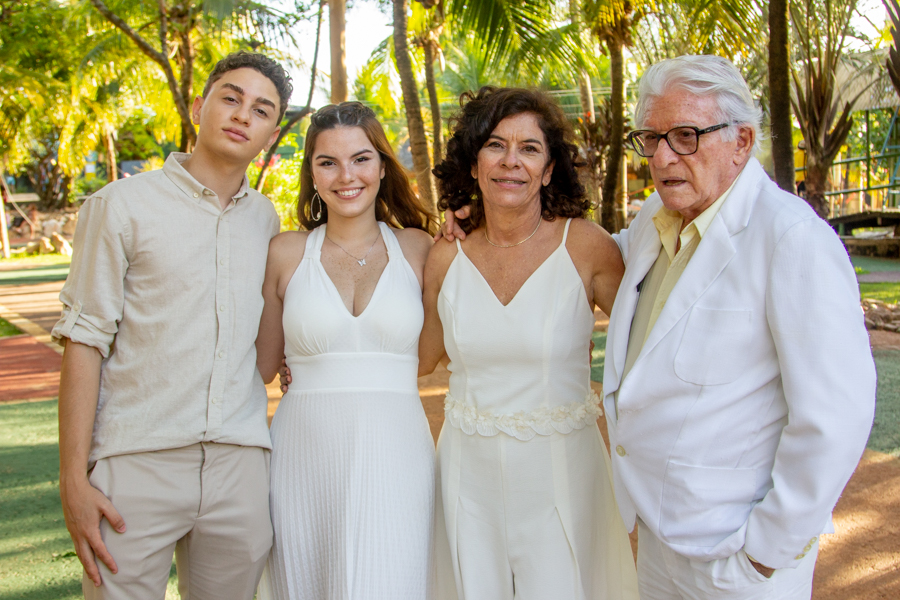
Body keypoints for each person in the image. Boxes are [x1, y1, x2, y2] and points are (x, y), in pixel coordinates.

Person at [604, 55, 875, 598]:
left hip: (736, 559)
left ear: (742, 142)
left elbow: (836, 418)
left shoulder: (792, 239)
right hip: (659, 539)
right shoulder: (650, 224)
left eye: (685, 135)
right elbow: (574, 262)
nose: (661, 157)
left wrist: (765, 554)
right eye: (650, 138)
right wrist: (492, 220)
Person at [53, 52, 291, 599]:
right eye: (230, 97)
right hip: (137, 460)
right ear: (198, 105)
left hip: (239, 464)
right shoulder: (120, 206)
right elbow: (84, 342)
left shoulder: (265, 219)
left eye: (260, 109)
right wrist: (73, 479)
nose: (241, 115)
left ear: (270, 134)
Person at [419, 86, 639, 599]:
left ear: (548, 168)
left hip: (562, 475)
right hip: (466, 475)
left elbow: (649, 335)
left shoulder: (586, 246)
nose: (511, 161)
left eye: (530, 149)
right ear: (473, 164)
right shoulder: (445, 257)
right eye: (495, 145)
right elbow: (420, 358)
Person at [255, 102, 438, 600]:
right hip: (304, 452)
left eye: (360, 159)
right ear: (311, 172)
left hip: (398, 449)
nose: (345, 176)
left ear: (382, 165)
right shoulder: (286, 252)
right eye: (327, 162)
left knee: (396, 576)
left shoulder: (421, 249)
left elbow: (428, 359)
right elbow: (263, 366)